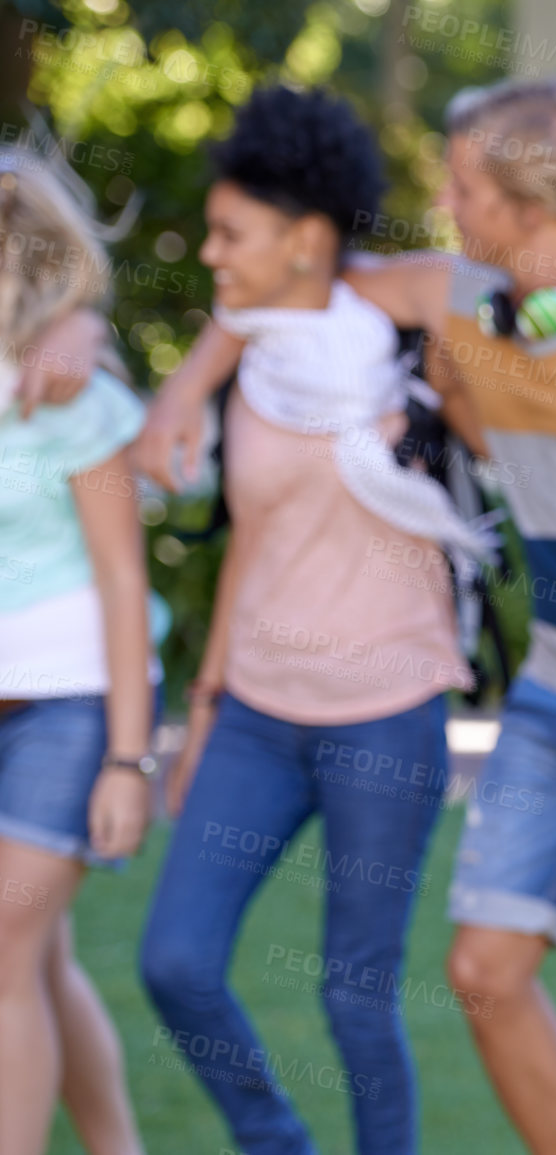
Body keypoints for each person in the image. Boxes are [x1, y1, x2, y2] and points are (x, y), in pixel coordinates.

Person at [131, 75, 556, 1155]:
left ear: (529, 205)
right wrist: (186, 389)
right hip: (555, 691)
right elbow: (301, 280)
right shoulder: (463, 293)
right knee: (483, 972)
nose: (447, 205)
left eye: (464, 187)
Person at [134, 87, 481, 1155]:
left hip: (386, 715)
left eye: (233, 233)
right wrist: (200, 707)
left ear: (309, 237)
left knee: (355, 1000)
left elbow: (496, 281)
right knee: (176, 962)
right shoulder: (255, 360)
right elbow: (253, 532)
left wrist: (346, 284)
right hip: (255, 717)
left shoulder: (400, 339)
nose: (209, 252)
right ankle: (273, 1142)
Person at [0, 144, 157, 1155]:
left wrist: (128, 760)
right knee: (39, 959)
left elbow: (124, 580)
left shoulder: (76, 398)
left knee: (4, 960)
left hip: (69, 703)